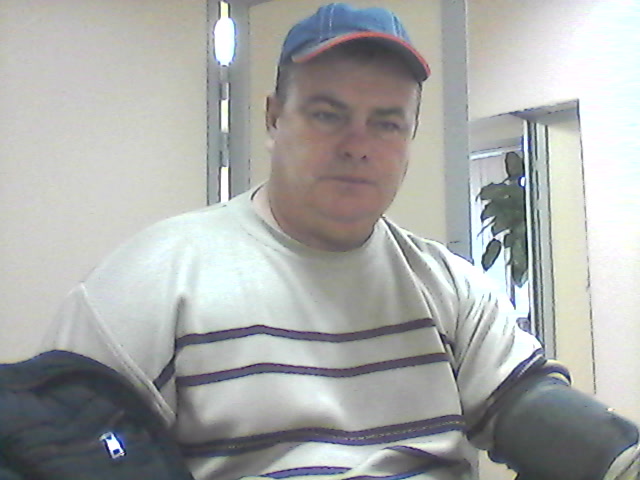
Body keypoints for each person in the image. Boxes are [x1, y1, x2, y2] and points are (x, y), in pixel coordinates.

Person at [42, 3, 639, 480]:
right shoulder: (150, 282)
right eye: (328, 115)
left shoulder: (450, 289)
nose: (358, 145)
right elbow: (51, 448)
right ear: (274, 118)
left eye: (386, 123)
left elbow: (528, 406)